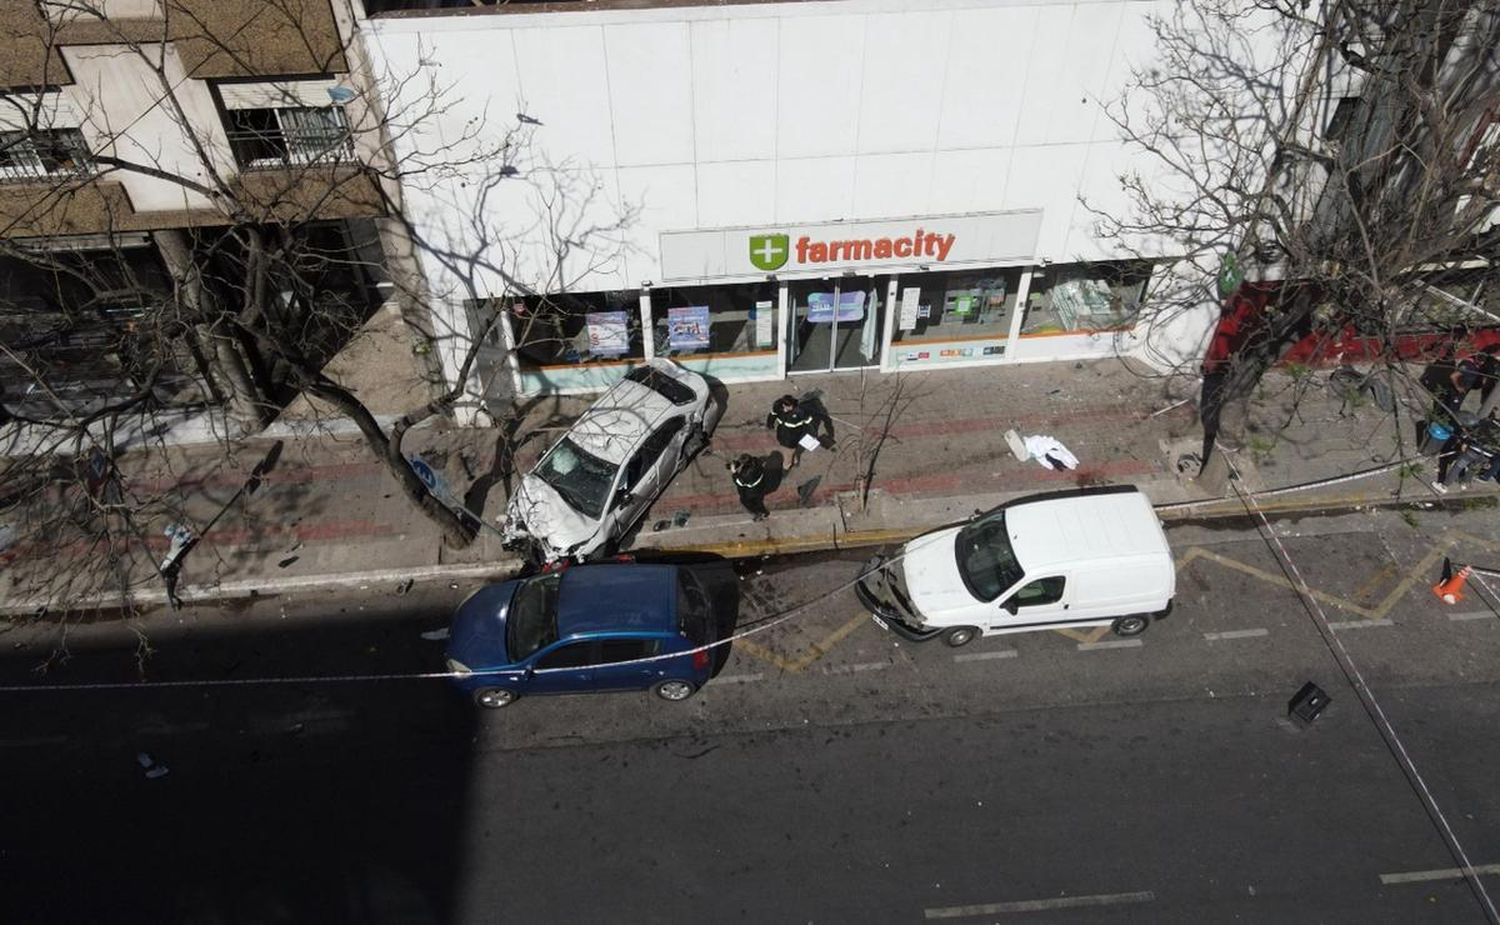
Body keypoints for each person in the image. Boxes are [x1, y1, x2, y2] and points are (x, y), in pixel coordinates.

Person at [766, 394, 819, 468]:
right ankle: (795, 460)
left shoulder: (800, 412)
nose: (790, 408)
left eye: (791, 406)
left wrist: (813, 434)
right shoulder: (777, 406)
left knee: (788, 453)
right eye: (787, 406)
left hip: (792, 438)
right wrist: (770, 424)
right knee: (790, 451)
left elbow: (809, 423)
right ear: (783, 405)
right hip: (782, 434)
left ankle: (787, 465)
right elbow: (772, 415)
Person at [729, 453, 770, 521]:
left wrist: (734, 472)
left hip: (751, 491)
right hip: (760, 486)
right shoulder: (756, 462)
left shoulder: (747, 474)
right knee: (759, 501)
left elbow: (739, 482)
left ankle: (757, 513)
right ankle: (764, 512)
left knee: (745, 501)